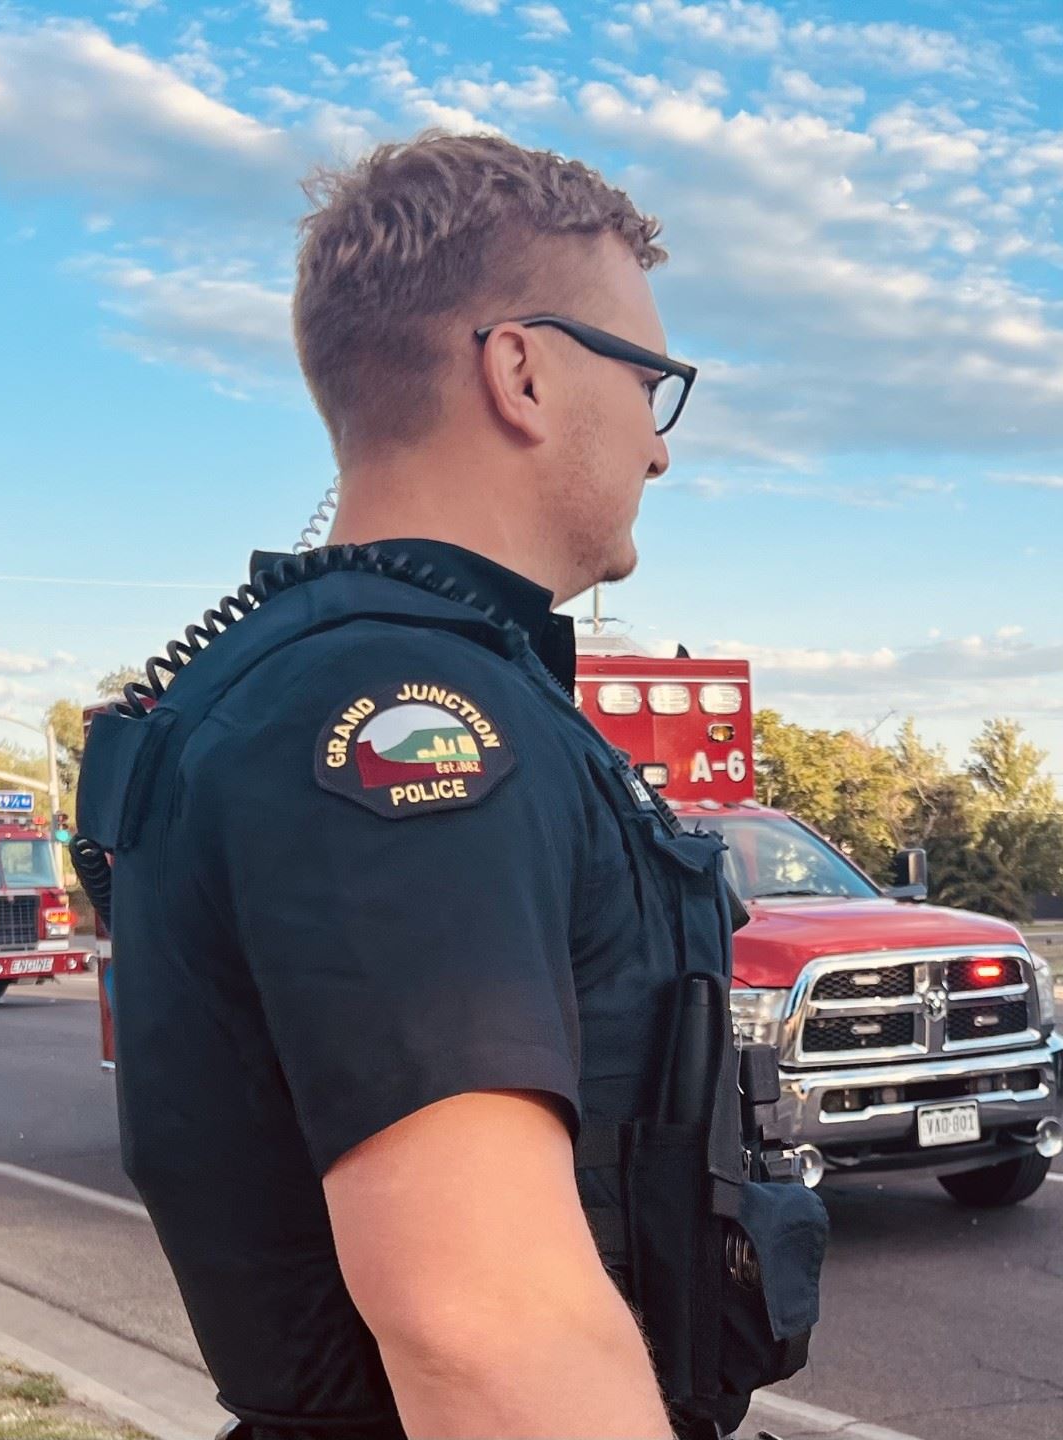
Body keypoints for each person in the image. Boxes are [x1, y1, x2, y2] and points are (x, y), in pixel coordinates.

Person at [73, 132, 825, 1440]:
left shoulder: (332, 687)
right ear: (522, 370)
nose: (660, 451)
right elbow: (485, 1330)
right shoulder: (411, 729)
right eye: (652, 382)